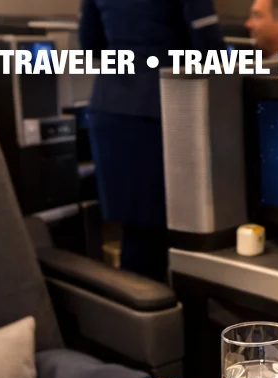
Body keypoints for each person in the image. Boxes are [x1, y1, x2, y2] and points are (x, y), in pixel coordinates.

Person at [79, 0, 225, 282]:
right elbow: (210, 48)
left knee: (135, 233)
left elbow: (90, 44)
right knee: (166, 232)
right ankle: (158, 315)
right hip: (162, 109)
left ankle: (139, 314)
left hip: (110, 107)